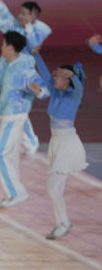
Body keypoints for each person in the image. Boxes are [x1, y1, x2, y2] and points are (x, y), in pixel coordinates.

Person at [0, 31, 48, 208]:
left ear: (10, 47)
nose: (0, 47)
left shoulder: (24, 68)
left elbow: (42, 86)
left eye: (3, 44)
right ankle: (13, 193)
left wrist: (39, 90)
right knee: (10, 155)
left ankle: (15, 193)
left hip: (14, 117)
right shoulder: (5, 63)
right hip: (3, 114)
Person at [33, 54, 87, 240]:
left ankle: (63, 223)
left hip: (68, 144)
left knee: (52, 186)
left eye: (59, 76)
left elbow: (79, 86)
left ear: (67, 79)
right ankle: (62, 223)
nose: (54, 77)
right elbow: (45, 73)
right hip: (56, 143)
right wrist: (36, 54)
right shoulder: (56, 92)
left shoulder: (74, 96)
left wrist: (71, 75)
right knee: (56, 188)